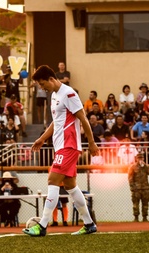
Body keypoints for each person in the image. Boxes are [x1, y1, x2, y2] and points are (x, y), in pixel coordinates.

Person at [23, 65, 99, 236]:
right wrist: (42, 138)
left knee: (52, 180)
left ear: (51, 79)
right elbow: (56, 122)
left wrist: (92, 142)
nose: (42, 88)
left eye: (43, 84)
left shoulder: (69, 93)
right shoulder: (55, 95)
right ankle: (89, 224)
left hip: (69, 145)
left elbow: (83, 119)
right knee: (71, 186)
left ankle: (42, 226)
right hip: (61, 146)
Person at [127, 152, 149, 222]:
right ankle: (136, 217)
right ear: (136, 159)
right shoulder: (132, 167)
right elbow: (130, 178)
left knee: (145, 204)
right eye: (139, 158)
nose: (140, 159)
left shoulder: (145, 166)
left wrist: (145, 166)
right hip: (136, 189)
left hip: (145, 188)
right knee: (135, 204)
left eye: (141, 158)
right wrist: (132, 187)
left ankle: (145, 217)